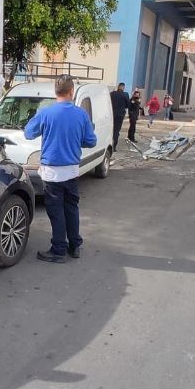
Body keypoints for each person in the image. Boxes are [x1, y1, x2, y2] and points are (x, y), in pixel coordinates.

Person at [24, 75, 97, 263]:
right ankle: (74, 246)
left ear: (55, 92)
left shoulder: (46, 113)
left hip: (52, 172)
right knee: (71, 208)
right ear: (71, 91)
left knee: (56, 212)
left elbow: (28, 133)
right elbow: (91, 141)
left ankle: (58, 251)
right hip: (72, 170)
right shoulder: (81, 115)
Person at [109, 83, 129, 150]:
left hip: (111, 114)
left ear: (118, 87)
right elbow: (128, 105)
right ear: (123, 87)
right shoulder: (125, 95)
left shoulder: (112, 94)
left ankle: (108, 144)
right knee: (116, 131)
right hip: (120, 115)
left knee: (110, 129)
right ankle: (114, 146)